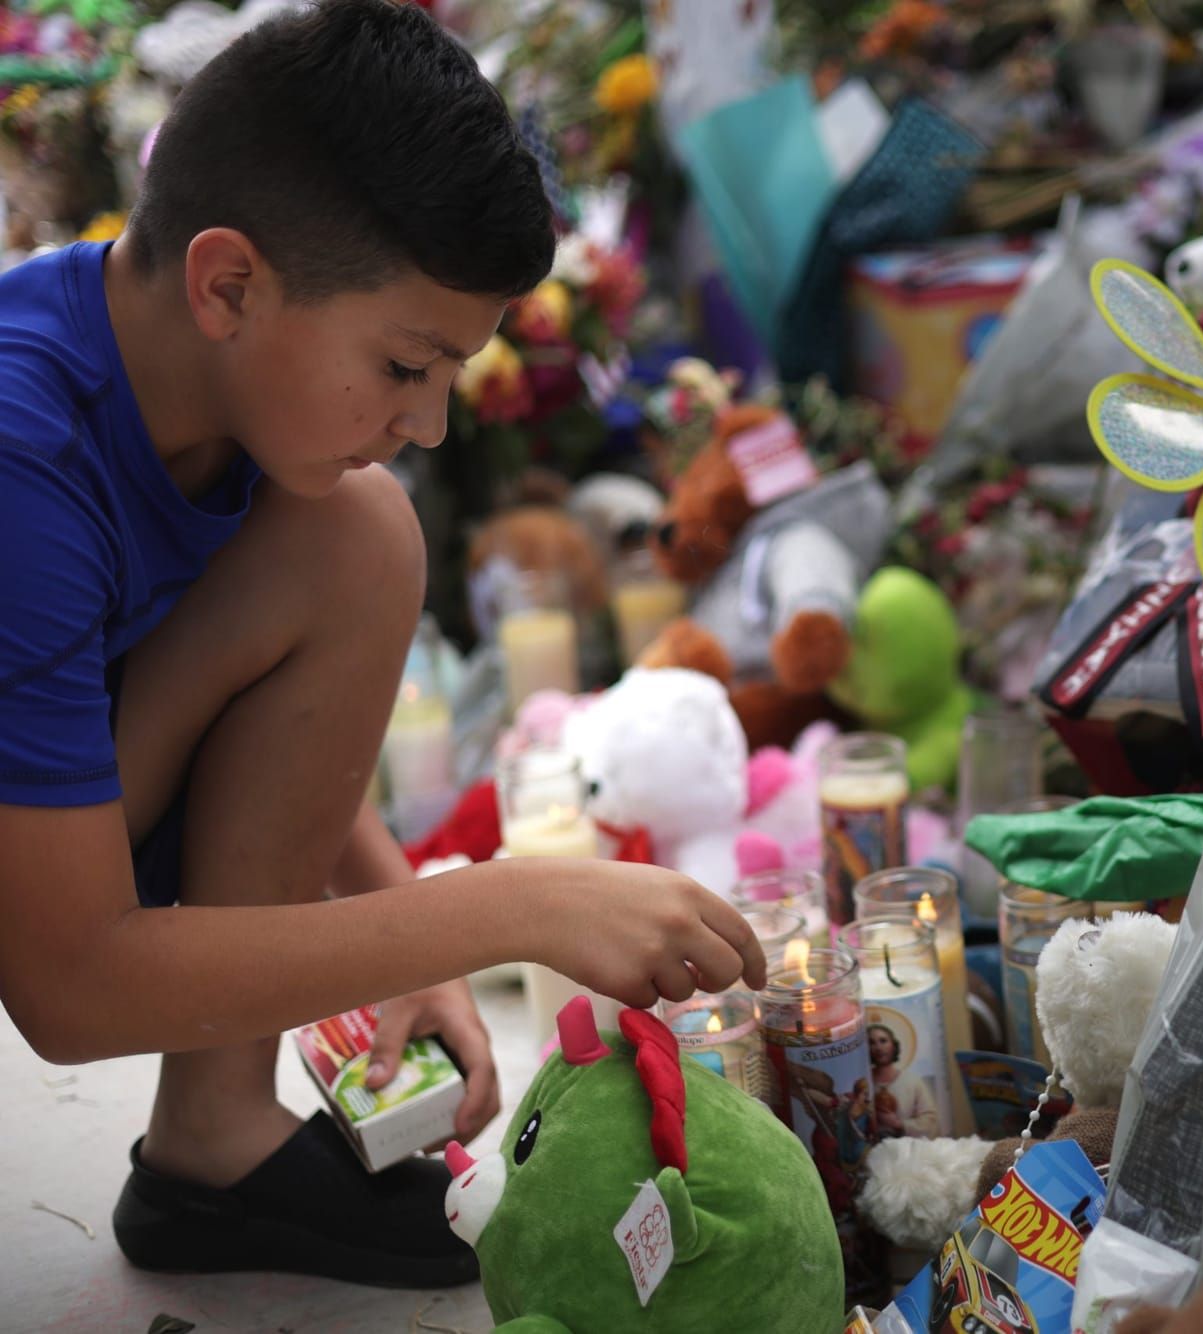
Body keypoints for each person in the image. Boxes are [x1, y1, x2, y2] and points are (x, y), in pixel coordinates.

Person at [0, 0, 762, 1290]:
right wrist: (507, 906)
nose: (430, 422)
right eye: (408, 364)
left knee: (356, 533)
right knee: (355, 520)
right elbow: (67, 989)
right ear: (229, 282)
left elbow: (229, 685)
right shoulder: (24, 452)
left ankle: (215, 1143)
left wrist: (402, 905)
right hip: (45, 904)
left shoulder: (206, 379)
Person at [867, 1021, 941, 1138]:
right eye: (871, 1043)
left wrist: (899, 1124)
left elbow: (930, 1120)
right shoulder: (864, 1084)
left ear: (893, 1045)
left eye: (883, 1041)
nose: (878, 1048)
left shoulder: (912, 1082)